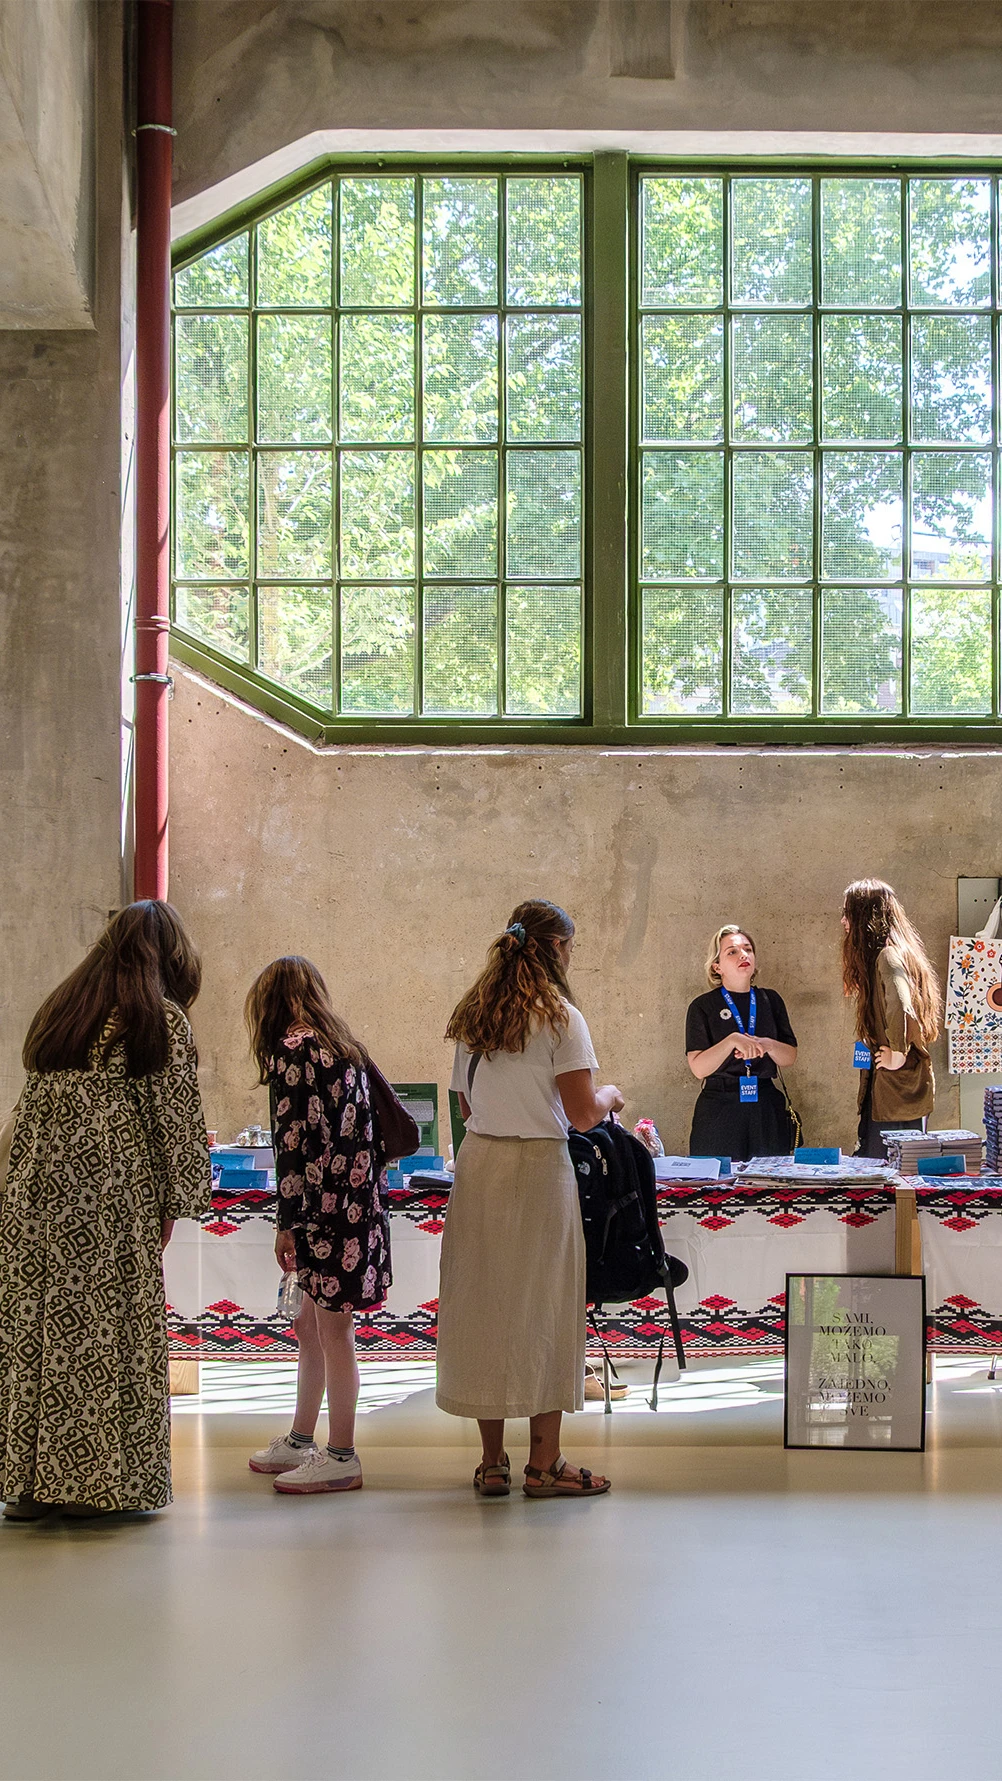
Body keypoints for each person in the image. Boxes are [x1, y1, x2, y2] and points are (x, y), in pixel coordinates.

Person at [0, 900, 211, 1522]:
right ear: (169, 955)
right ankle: (95, 1485)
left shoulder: (62, 1009)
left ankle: (29, 1487)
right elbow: (177, 1122)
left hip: (33, 1198)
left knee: (36, 1334)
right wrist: (181, 1201)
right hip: (109, 1203)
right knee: (101, 1334)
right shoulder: (158, 1018)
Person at [438, 898, 622, 1500]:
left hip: (481, 1163)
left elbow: (464, 1106)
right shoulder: (563, 1019)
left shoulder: (475, 1017)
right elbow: (582, 1112)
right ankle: (544, 1465)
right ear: (557, 949)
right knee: (547, 1307)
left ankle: (493, 1462)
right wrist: (613, 1095)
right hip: (541, 1169)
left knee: (484, 1305)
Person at [244, 957, 390, 1496]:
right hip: (355, 1207)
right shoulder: (342, 1047)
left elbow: (291, 1146)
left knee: (331, 1331)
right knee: (313, 1326)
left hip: (322, 1213)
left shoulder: (291, 1050)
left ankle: (343, 1453)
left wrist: (286, 1224)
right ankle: (304, 1437)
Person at [842, 879, 941, 1159]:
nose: (843, 922)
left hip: (897, 1092)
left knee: (891, 1172)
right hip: (893, 1091)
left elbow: (901, 1004)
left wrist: (897, 1053)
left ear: (865, 916)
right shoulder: (890, 955)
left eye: (848, 913)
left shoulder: (888, 956)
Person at [686, 926, 798, 1163]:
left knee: (768, 1185)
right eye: (732, 952)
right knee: (717, 1188)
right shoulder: (702, 1006)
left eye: (748, 949)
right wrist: (731, 1041)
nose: (743, 956)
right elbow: (698, 1068)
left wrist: (767, 1044)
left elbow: (789, 1057)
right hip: (720, 1105)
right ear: (717, 966)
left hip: (764, 1102)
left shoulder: (770, 1000)